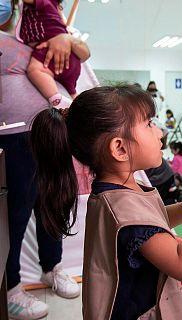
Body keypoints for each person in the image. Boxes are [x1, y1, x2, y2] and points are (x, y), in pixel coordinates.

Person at [30, 84, 182, 320]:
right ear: (119, 148)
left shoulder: (116, 190)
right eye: (149, 124)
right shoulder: (122, 207)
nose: (160, 132)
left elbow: (155, 221)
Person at [0, 7, 90, 319]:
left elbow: (82, 54)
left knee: (55, 202)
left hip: (55, 134)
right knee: (14, 215)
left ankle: (52, 268)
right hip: (15, 139)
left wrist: (66, 37)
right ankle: (10, 288)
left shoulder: (39, 38)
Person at [17, 0, 83, 108]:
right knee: (71, 91)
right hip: (71, 58)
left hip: (51, 49)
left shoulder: (44, 1)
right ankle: (81, 107)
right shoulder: (54, 7)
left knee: (35, 70)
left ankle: (57, 101)